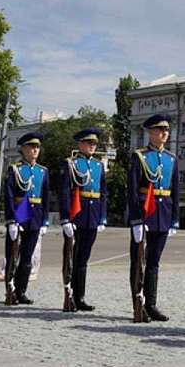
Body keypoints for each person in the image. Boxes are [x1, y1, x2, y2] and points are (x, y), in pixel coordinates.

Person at [127, 113, 179, 322]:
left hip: (163, 213)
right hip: (144, 214)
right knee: (139, 260)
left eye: (166, 130)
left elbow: (175, 190)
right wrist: (136, 219)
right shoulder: (139, 156)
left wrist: (174, 218)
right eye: (159, 130)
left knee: (154, 262)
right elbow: (132, 190)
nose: (164, 133)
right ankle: (138, 304)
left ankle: (151, 304)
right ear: (150, 132)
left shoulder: (171, 158)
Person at [58, 127, 108, 311]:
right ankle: (69, 295)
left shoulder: (98, 165)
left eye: (95, 143)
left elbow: (103, 193)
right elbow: (64, 192)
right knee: (71, 257)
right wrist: (65, 218)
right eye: (89, 143)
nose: (93, 146)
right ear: (80, 144)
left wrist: (102, 217)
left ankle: (80, 297)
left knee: (83, 259)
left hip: (92, 215)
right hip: (76, 215)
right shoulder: (70, 163)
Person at [3, 132, 50, 305]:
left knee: (27, 257)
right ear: (23, 149)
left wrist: (44, 220)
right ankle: (10, 290)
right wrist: (11, 220)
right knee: (12, 254)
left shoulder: (42, 171)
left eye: (37, 147)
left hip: (35, 213)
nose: (35, 150)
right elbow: (8, 196)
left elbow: (45, 196)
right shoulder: (15, 169)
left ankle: (21, 291)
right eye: (31, 147)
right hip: (20, 211)